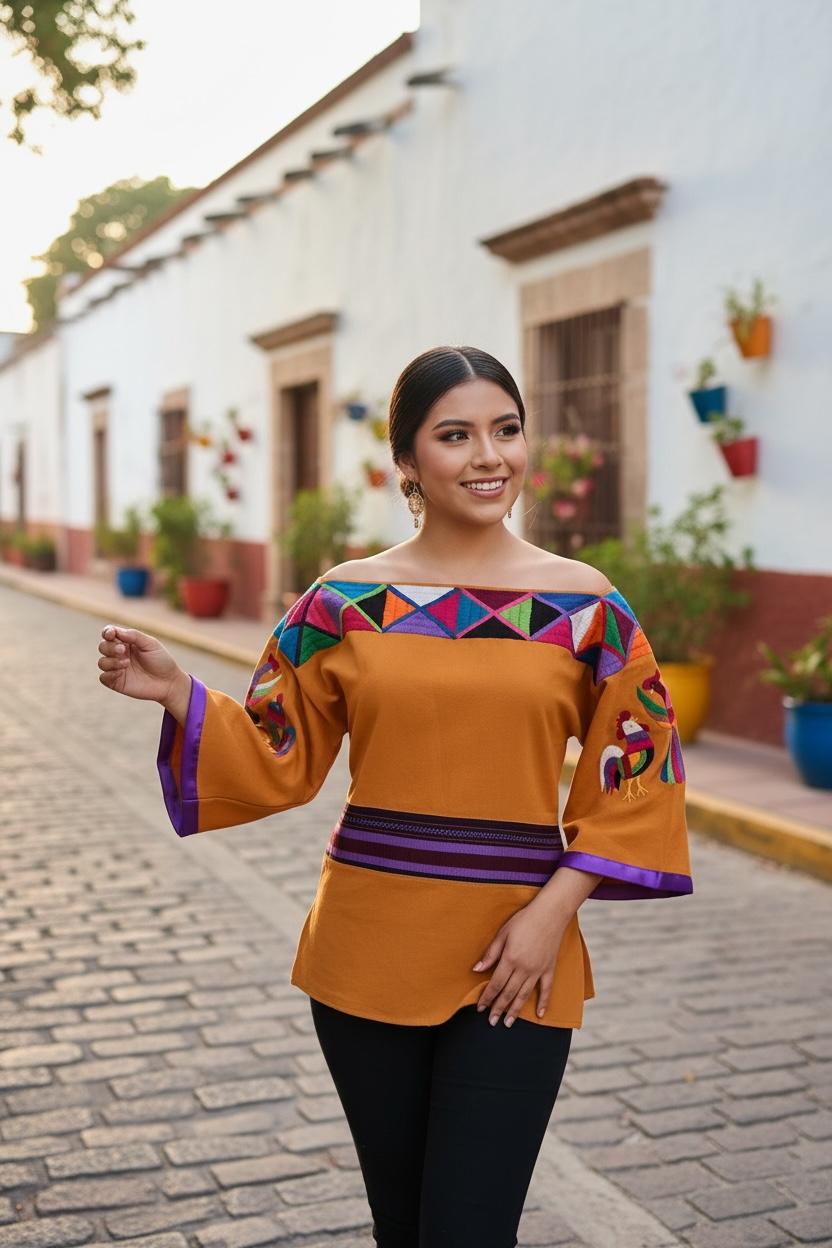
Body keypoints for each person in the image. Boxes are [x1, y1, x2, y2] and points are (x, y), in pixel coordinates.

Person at [97, 345, 692, 1248]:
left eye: (506, 429)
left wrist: (552, 913)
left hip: (517, 955)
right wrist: (180, 692)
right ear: (407, 459)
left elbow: (640, 767)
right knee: (402, 1228)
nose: (489, 456)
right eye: (455, 435)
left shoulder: (586, 607)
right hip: (365, 950)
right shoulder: (342, 603)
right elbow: (276, 750)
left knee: (469, 1232)